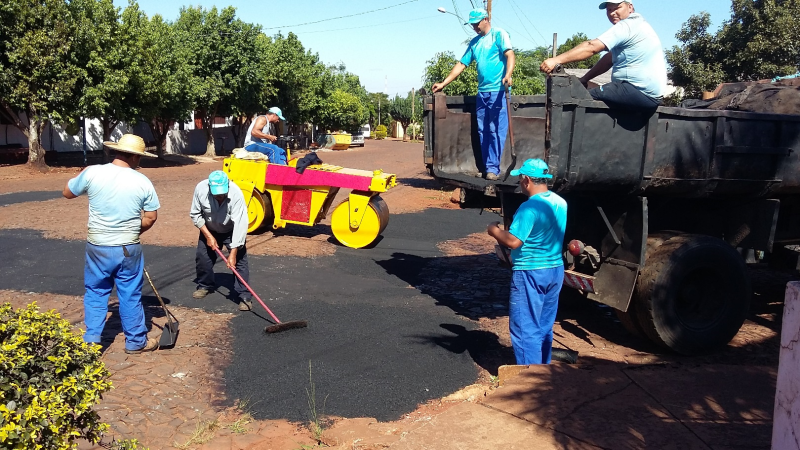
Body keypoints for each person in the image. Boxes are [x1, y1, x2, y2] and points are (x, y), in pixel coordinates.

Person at [62, 134, 161, 355]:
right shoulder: (142, 181)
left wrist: (82, 174)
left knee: (96, 291)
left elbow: (67, 193)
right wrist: (134, 231)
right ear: (136, 157)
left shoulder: (93, 172)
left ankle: (91, 340)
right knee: (130, 293)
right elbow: (151, 217)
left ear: (115, 151)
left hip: (97, 245)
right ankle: (136, 342)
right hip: (128, 247)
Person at [487, 159, 567, 364]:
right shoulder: (560, 202)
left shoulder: (529, 208)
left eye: (521, 179)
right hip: (555, 269)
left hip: (531, 271)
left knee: (525, 328)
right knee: (544, 325)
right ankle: (543, 373)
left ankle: (529, 377)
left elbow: (513, 241)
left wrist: (494, 231)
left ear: (527, 180)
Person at [431, 8, 516, 181]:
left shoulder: (499, 34)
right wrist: (443, 83)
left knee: (495, 131)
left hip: (498, 92)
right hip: (482, 93)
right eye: (472, 24)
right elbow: (461, 65)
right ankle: (486, 168)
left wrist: (508, 75)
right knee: (483, 130)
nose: (474, 27)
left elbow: (510, 55)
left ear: (486, 19)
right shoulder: (475, 42)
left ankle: (493, 168)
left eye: (476, 23)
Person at [540, 1, 667, 110]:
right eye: (609, 9)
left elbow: (592, 46)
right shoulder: (639, 26)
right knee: (587, 93)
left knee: (579, 98)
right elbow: (608, 59)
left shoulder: (628, 25)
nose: (612, 13)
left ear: (630, 7)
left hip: (637, 91)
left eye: (617, 8)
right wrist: (585, 79)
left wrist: (556, 60)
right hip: (644, 94)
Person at [190, 170, 253, 311]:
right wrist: (208, 236)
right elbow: (195, 214)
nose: (219, 196)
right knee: (202, 258)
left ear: (227, 186)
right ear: (209, 187)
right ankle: (205, 285)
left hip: (231, 230)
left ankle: (244, 296)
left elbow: (240, 224)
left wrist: (233, 252)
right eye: (216, 193)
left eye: (222, 193)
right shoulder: (201, 189)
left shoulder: (236, 193)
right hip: (209, 228)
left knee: (240, 262)